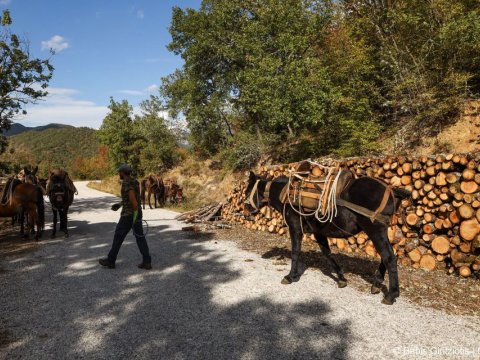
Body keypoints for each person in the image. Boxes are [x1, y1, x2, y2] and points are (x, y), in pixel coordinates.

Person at [99, 164, 152, 270]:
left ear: (123, 172)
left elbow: (132, 199)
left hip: (129, 215)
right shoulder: (135, 181)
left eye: (119, 172)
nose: (119, 174)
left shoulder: (126, 182)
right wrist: (119, 205)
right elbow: (131, 198)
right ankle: (147, 262)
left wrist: (134, 215)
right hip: (136, 213)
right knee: (140, 236)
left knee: (118, 236)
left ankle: (110, 260)